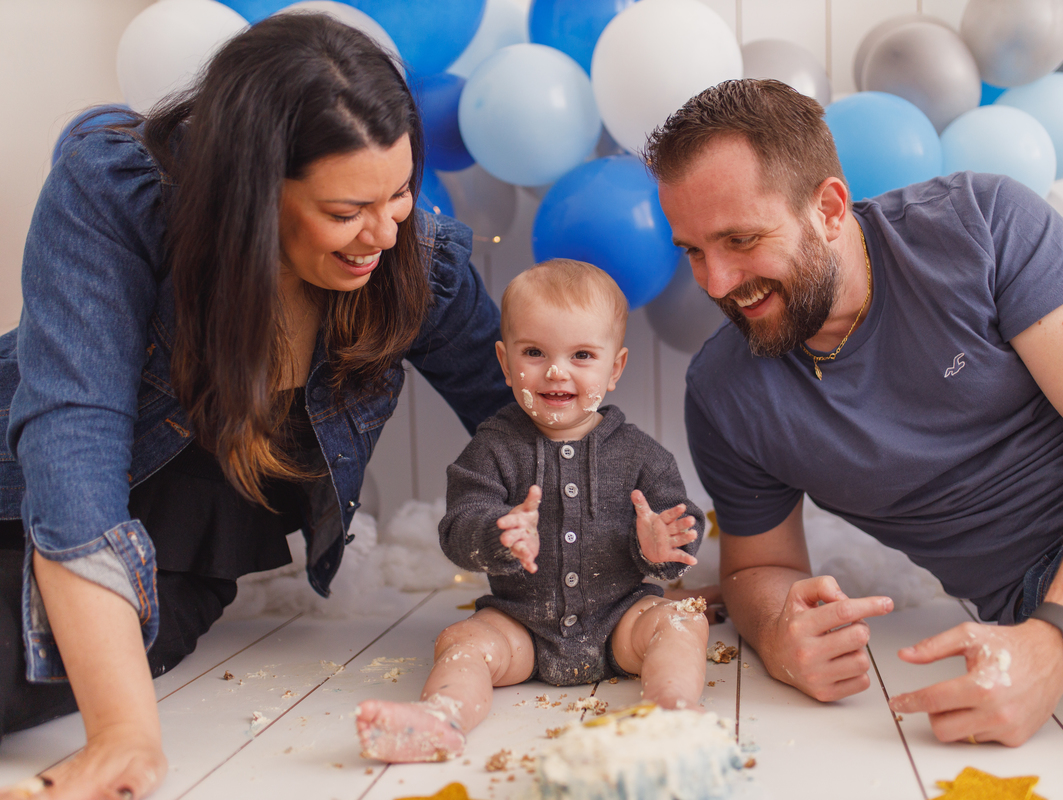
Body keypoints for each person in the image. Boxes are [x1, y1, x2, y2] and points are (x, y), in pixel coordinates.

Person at [0, 13, 511, 799]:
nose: (383, 233)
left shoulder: (416, 263)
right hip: (32, 488)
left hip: (174, 558)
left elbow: (531, 421)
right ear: (252, 193)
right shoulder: (116, 193)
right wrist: (125, 734)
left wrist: (635, 563)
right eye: (345, 213)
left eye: (401, 192)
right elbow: (73, 450)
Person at [644, 79, 1063, 747]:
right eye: (694, 251)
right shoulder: (725, 392)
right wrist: (777, 632)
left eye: (740, 240)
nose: (716, 283)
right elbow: (755, 569)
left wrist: (1055, 644)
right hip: (1060, 566)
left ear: (827, 207)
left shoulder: (979, 221)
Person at [354, 259, 708, 762]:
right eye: (535, 352)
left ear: (615, 368)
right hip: (521, 626)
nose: (557, 371)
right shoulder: (493, 448)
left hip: (621, 620)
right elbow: (458, 525)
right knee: (462, 640)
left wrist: (659, 546)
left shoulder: (642, 455)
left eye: (582, 354)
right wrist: (498, 535)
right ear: (504, 363)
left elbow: (681, 525)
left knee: (680, 620)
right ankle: (442, 715)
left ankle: (671, 710)